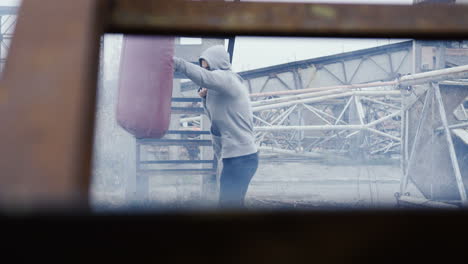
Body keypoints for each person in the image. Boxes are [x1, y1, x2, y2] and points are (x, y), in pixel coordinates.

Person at [173, 45, 258, 208]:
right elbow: (215, 118)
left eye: (208, 68)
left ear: (217, 64)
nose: (207, 72)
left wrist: (178, 63)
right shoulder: (220, 87)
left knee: (228, 206)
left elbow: (204, 78)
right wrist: (205, 99)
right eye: (204, 68)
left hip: (241, 158)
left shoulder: (228, 79)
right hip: (236, 157)